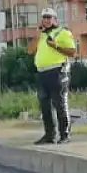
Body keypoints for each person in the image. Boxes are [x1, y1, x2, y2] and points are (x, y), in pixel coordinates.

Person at [31, 8, 78, 145]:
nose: (46, 20)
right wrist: (37, 35)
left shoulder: (63, 32)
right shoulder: (42, 35)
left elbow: (73, 52)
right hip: (42, 72)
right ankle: (49, 135)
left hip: (58, 71)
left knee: (60, 103)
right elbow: (30, 50)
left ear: (55, 19)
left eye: (49, 17)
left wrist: (56, 46)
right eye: (44, 17)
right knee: (44, 104)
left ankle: (64, 135)